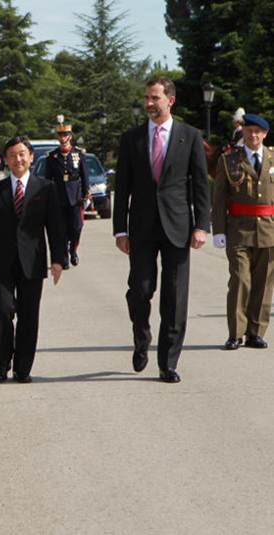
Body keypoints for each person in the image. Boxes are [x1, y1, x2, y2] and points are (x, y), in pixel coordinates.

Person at [113, 76, 211, 383]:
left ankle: (168, 362)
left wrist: (202, 225)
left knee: (175, 297)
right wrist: (120, 230)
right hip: (141, 227)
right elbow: (122, 187)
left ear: (171, 100)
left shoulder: (189, 136)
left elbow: (200, 184)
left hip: (178, 227)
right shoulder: (131, 139)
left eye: (154, 98)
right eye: (146, 97)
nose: (149, 103)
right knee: (140, 290)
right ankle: (141, 336)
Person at [0, 136, 65, 384]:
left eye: (22, 154)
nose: (18, 159)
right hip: (1, 262)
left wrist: (58, 259)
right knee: (2, 311)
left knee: (29, 316)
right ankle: (3, 362)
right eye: (12, 155)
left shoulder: (45, 188)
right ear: (6, 160)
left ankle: (23, 367)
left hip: (33, 262)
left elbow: (55, 227)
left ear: (31, 157)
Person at [212, 113, 274, 350]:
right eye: (249, 131)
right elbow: (219, 198)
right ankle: (236, 333)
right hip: (238, 229)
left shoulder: (272, 158)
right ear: (243, 133)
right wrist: (218, 230)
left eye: (258, 131)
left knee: (264, 284)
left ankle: (255, 332)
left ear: (265, 134)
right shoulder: (229, 160)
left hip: (268, 230)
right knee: (240, 280)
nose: (253, 135)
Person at [45, 118, 89, 268]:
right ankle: (64, 259)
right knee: (61, 230)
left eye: (65, 135)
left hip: (75, 196)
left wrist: (86, 193)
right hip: (58, 197)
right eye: (60, 135)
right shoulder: (52, 156)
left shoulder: (78, 154)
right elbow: (47, 179)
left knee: (76, 227)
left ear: (70, 136)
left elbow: (84, 175)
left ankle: (73, 250)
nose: (63, 138)